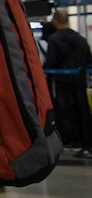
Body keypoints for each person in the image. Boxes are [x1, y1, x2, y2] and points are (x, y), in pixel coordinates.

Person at [44, 9, 92, 159]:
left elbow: (50, 62)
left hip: (62, 84)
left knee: (64, 113)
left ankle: (69, 140)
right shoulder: (79, 38)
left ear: (55, 21)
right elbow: (89, 59)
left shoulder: (54, 39)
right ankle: (85, 143)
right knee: (83, 112)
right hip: (80, 81)